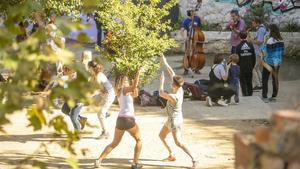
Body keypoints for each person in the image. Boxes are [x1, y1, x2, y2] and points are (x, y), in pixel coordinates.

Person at [95, 69, 143, 169]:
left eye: (127, 81)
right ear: (120, 83)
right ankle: (135, 164)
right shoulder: (124, 90)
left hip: (120, 120)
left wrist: (134, 84)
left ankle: (98, 160)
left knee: (114, 143)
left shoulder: (119, 92)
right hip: (128, 119)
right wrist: (138, 74)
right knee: (139, 140)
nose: (126, 82)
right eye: (124, 81)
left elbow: (135, 94)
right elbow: (133, 88)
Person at [159, 55, 198, 169]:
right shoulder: (180, 88)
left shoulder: (174, 96)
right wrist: (165, 63)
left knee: (179, 142)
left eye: (172, 82)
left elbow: (161, 93)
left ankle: (195, 159)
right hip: (171, 119)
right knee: (161, 136)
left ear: (174, 85)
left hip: (175, 121)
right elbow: (172, 73)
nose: (170, 82)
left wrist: (161, 81)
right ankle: (172, 154)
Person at [88, 61, 115, 139]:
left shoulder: (99, 75)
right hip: (103, 95)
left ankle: (105, 132)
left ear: (91, 68)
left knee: (100, 114)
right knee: (91, 101)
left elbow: (95, 89)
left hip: (109, 95)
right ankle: (106, 112)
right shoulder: (94, 75)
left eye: (88, 67)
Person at [261, 24, 284, 103]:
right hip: (277, 62)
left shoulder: (270, 40)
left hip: (268, 62)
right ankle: (274, 96)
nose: (268, 31)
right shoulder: (281, 40)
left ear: (271, 30)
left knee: (265, 79)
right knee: (275, 79)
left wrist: (264, 44)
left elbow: (265, 52)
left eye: (269, 30)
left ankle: (264, 96)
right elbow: (282, 51)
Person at [181, 9, 203, 75]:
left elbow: (201, 26)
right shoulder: (186, 21)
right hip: (189, 39)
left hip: (196, 39)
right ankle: (186, 68)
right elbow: (182, 30)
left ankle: (196, 68)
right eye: (192, 11)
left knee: (196, 54)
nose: (194, 12)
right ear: (189, 12)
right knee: (187, 54)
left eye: (194, 11)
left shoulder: (197, 18)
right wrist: (185, 37)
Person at [249, 17, 267, 90]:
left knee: (253, 68)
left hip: (259, 52)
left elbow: (260, 42)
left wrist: (251, 41)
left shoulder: (261, 30)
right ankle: (261, 83)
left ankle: (257, 84)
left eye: (253, 23)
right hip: (259, 51)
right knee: (257, 68)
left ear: (257, 22)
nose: (252, 24)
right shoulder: (261, 29)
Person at [236, 31, 256, 96]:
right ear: (246, 36)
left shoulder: (238, 46)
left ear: (239, 37)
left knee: (242, 81)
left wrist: (238, 66)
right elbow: (254, 57)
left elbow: (237, 58)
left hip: (241, 67)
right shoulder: (250, 45)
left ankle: (244, 93)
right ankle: (250, 93)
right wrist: (252, 66)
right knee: (249, 81)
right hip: (249, 66)